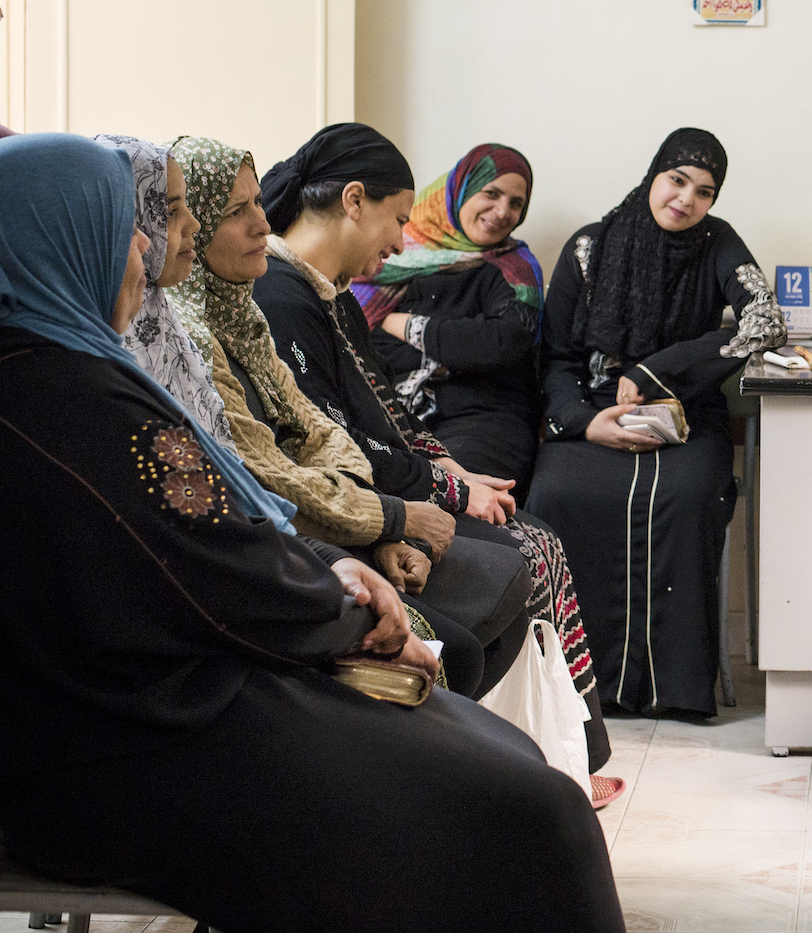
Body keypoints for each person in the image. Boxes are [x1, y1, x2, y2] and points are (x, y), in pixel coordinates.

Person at [0, 133, 637, 933]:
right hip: (125, 741)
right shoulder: (65, 398)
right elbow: (205, 563)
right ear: (59, 241)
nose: (148, 247)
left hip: (162, 694)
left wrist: (339, 579)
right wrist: (352, 610)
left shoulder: (64, 370)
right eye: (128, 227)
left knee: (503, 768)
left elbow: (211, 534)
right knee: (531, 815)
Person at [241, 127, 613, 791]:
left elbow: (381, 418)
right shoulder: (283, 294)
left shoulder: (325, 293)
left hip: (386, 491)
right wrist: (411, 512)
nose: (398, 240)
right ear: (354, 201)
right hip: (335, 521)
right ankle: (489, 773)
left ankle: (547, 762)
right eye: (394, 217)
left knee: (531, 546)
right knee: (519, 560)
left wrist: (450, 481)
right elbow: (329, 442)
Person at [91, 133, 486, 698]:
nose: (259, 225)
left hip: (283, 554)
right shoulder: (114, 370)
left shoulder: (219, 321)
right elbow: (235, 491)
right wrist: (383, 527)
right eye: (168, 213)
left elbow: (315, 435)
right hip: (208, 635)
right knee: (446, 660)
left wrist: (360, 541)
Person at [529, 127, 785, 719]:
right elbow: (557, 359)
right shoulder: (590, 248)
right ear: (654, 175)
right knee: (558, 493)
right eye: (677, 180)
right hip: (591, 410)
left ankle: (677, 691)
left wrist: (659, 370)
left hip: (688, 412)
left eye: (705, 191)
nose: (686, 200)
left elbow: (765, 322)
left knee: (691, 494)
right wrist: (585, 424)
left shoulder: (717, 243)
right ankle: (579, 691)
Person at [353, 143, 545, 489]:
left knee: (454, 495)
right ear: (461, 190)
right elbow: (360, 345)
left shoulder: (516, 270)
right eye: (491, 193)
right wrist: (450, 344)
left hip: (484, 418)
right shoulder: (394, 254)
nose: (502, 211)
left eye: (516, 203)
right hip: (392, 410)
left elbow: (500, 342)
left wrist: (400, 323)